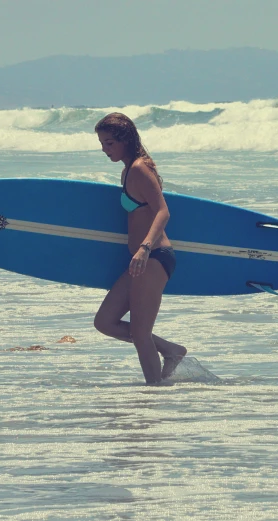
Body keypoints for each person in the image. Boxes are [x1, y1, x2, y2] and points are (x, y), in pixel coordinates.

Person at [93, 113, 186, 384]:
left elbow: (163, 212)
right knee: (105, 322)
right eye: (101, 143)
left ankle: (152, 395)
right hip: (141, 260)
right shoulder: (128, 170)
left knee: (141, 333)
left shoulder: (139, 169)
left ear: (125, 139)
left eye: (109, 143)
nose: (104, 149)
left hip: (154, 257)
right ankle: (171, 350)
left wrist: (145, 248)